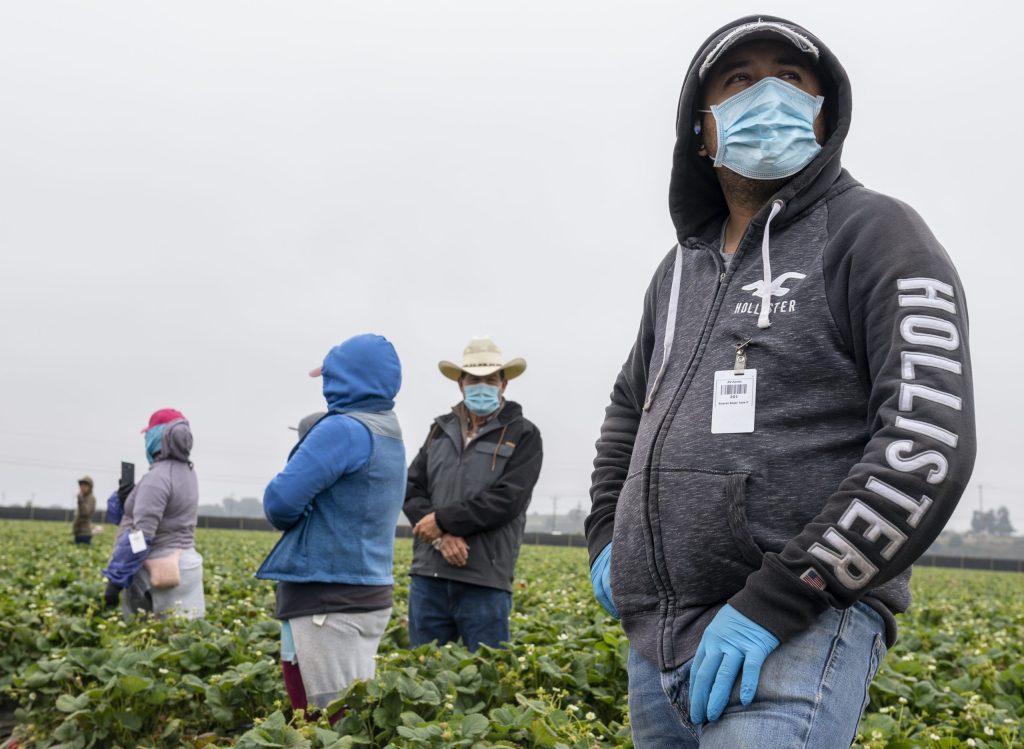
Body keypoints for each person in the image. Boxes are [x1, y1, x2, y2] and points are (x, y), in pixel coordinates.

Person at [585, 16, 975, 747]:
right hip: (656, 643)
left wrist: (782, 595)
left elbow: (928, 438)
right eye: (738, 80)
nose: (768, 93)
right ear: (701, 130)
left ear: (825, 115)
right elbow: (626, 412)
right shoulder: (676, 272)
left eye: (791, 79)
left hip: (794, 630)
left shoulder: (875, 233)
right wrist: (607, 534)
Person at [256, 334, 406, 713]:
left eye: (330, 377)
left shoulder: (343, 429)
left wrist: (306, 510)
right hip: (366, 593)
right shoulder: (387, 429)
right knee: (351, 715)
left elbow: (279, 503)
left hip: (329, 600)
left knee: (329, 719)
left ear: (346, 379)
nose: (325, 387)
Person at [404, 336, 543, 651]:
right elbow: (412, 489)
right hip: (429, 574)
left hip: (485, 579)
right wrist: (441, 536)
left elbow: (508, 499)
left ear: (503, 384)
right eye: (474, 380)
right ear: (460, 384)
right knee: (422, 675)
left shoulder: (524, 434)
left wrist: (441, 521)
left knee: (486, 680)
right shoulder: (439, 429)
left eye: (490, 379)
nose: (482, 386)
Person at [102, 408, 205, 620]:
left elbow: (141, 535)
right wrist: (127, 501)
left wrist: (116, 579)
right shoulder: (187, 472)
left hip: (159, 570)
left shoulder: (157, 477)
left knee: (145, 640)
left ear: (156, 437)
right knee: (180, 641)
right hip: (186, 563)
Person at [73, 476, 96, 544]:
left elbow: (85, 512)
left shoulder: (91, 498)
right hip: (78, 532)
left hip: (85, 533)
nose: (82, 488)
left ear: (90, 487)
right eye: (81, 485)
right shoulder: (83, 497)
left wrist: (80, 499)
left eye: (85, 486)